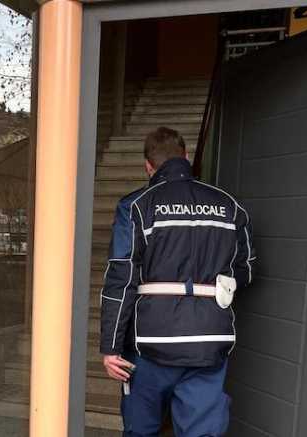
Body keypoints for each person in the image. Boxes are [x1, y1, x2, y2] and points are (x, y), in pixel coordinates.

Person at [100, 126, 255, 437]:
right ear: (186, 156)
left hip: (150, 343)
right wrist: (219, 286)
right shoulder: (229, 205)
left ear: (148, 166)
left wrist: (110, 347)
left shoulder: (136, 206)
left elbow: (122, 277)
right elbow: (247, 268)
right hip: (209, 341)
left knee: (140, 430)